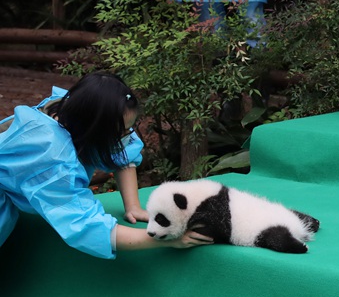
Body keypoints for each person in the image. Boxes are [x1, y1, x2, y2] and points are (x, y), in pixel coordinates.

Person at [0, 72, 213, 258]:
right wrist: (164, 239)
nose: (128, 136)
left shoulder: (73, 109)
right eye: (122, 132)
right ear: (95, 129)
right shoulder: (53, 161)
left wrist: (133, 207)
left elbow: (124, 153)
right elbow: (84, 226)